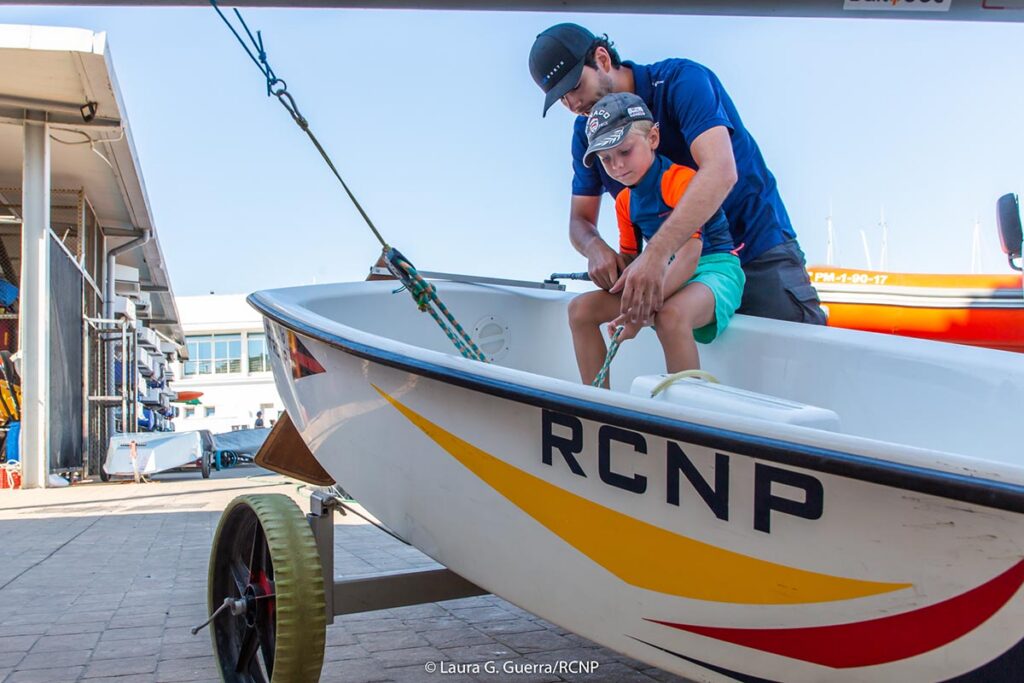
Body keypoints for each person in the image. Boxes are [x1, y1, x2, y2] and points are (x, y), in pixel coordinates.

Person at [529, 23, 826, 328]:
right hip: (678, 274)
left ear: (602, 59)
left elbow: (720, 172)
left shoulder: (681, 81)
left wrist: (655, 254)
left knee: (799, 368)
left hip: (757, 253)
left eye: (576, 86)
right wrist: (596, 249)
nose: (574, 105)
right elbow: (580, 220)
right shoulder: (585, 133)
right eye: (562, 98)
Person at [569, 93, 744, 387]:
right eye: (606, 159)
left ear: (652, 138)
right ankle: (598, 404)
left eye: (625, 151)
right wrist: (611, 275)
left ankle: (689, 419)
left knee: (670, 317)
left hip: (715, 268)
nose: (617, 166)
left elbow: (690, 255)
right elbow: (631, 259)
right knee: (580, 310)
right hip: (663, 277)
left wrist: (640, 311)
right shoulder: (624, 202)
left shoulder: (679, 180)